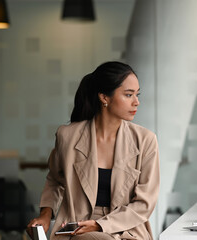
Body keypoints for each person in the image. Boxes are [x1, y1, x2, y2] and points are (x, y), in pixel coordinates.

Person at [26, 61, 160, 240]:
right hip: (77, 227)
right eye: (129, 95)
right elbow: (55, 180)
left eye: (137, 94)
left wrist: (100, 224)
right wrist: (46, 214)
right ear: (104, 97)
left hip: (126, 229)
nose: (137, 102)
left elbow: (144, 203)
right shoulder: (68, 136)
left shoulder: (145, 140)